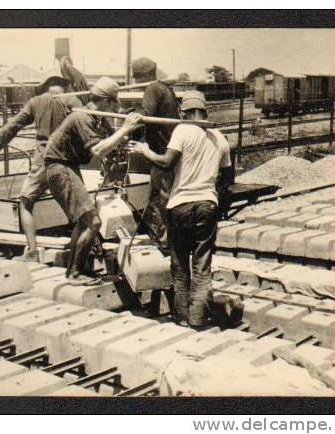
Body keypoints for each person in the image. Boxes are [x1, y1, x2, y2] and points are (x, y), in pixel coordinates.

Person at [127, 90, 233, 329]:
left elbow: (165, 163)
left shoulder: (183, 130)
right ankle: (198, 318)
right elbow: (226, 177)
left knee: (179, 263)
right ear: (205, 111)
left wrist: (144, 150)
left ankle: (182, 317)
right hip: (207, 203)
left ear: (184, 112)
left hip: (180, 205)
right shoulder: (219, 137)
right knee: (202, 264)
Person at [44, 77, 143, 285]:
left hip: (67, 167)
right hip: (59, 168)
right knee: (93, 221)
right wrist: (125, 128)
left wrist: (128, 125)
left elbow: (115, 140)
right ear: (106, 101)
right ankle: (75, 273)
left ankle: (74, 270)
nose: (115, 107)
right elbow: (98, 150)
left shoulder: (97, 117)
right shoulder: (83, 117)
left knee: (84, 220)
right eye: (114, 103)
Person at [0, 74, 82, 262]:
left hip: (42, 159)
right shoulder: (72, 100)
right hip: (65, 161)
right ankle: (77, 256)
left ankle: (33, 252)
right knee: (80, 213)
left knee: (25, 203)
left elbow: (14, 125)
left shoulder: (36, 102)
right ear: (65, 85)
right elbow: (87, 124)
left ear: (46, 85)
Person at [130, 57, 180, 250]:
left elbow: (145, 113)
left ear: (139, 77)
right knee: (161, 198)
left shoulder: (152, 88)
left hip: (161, 153)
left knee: (159, 200)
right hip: (170, 148)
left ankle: (166, 244)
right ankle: (168, 241)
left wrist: (128, 113)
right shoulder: (165, 89)